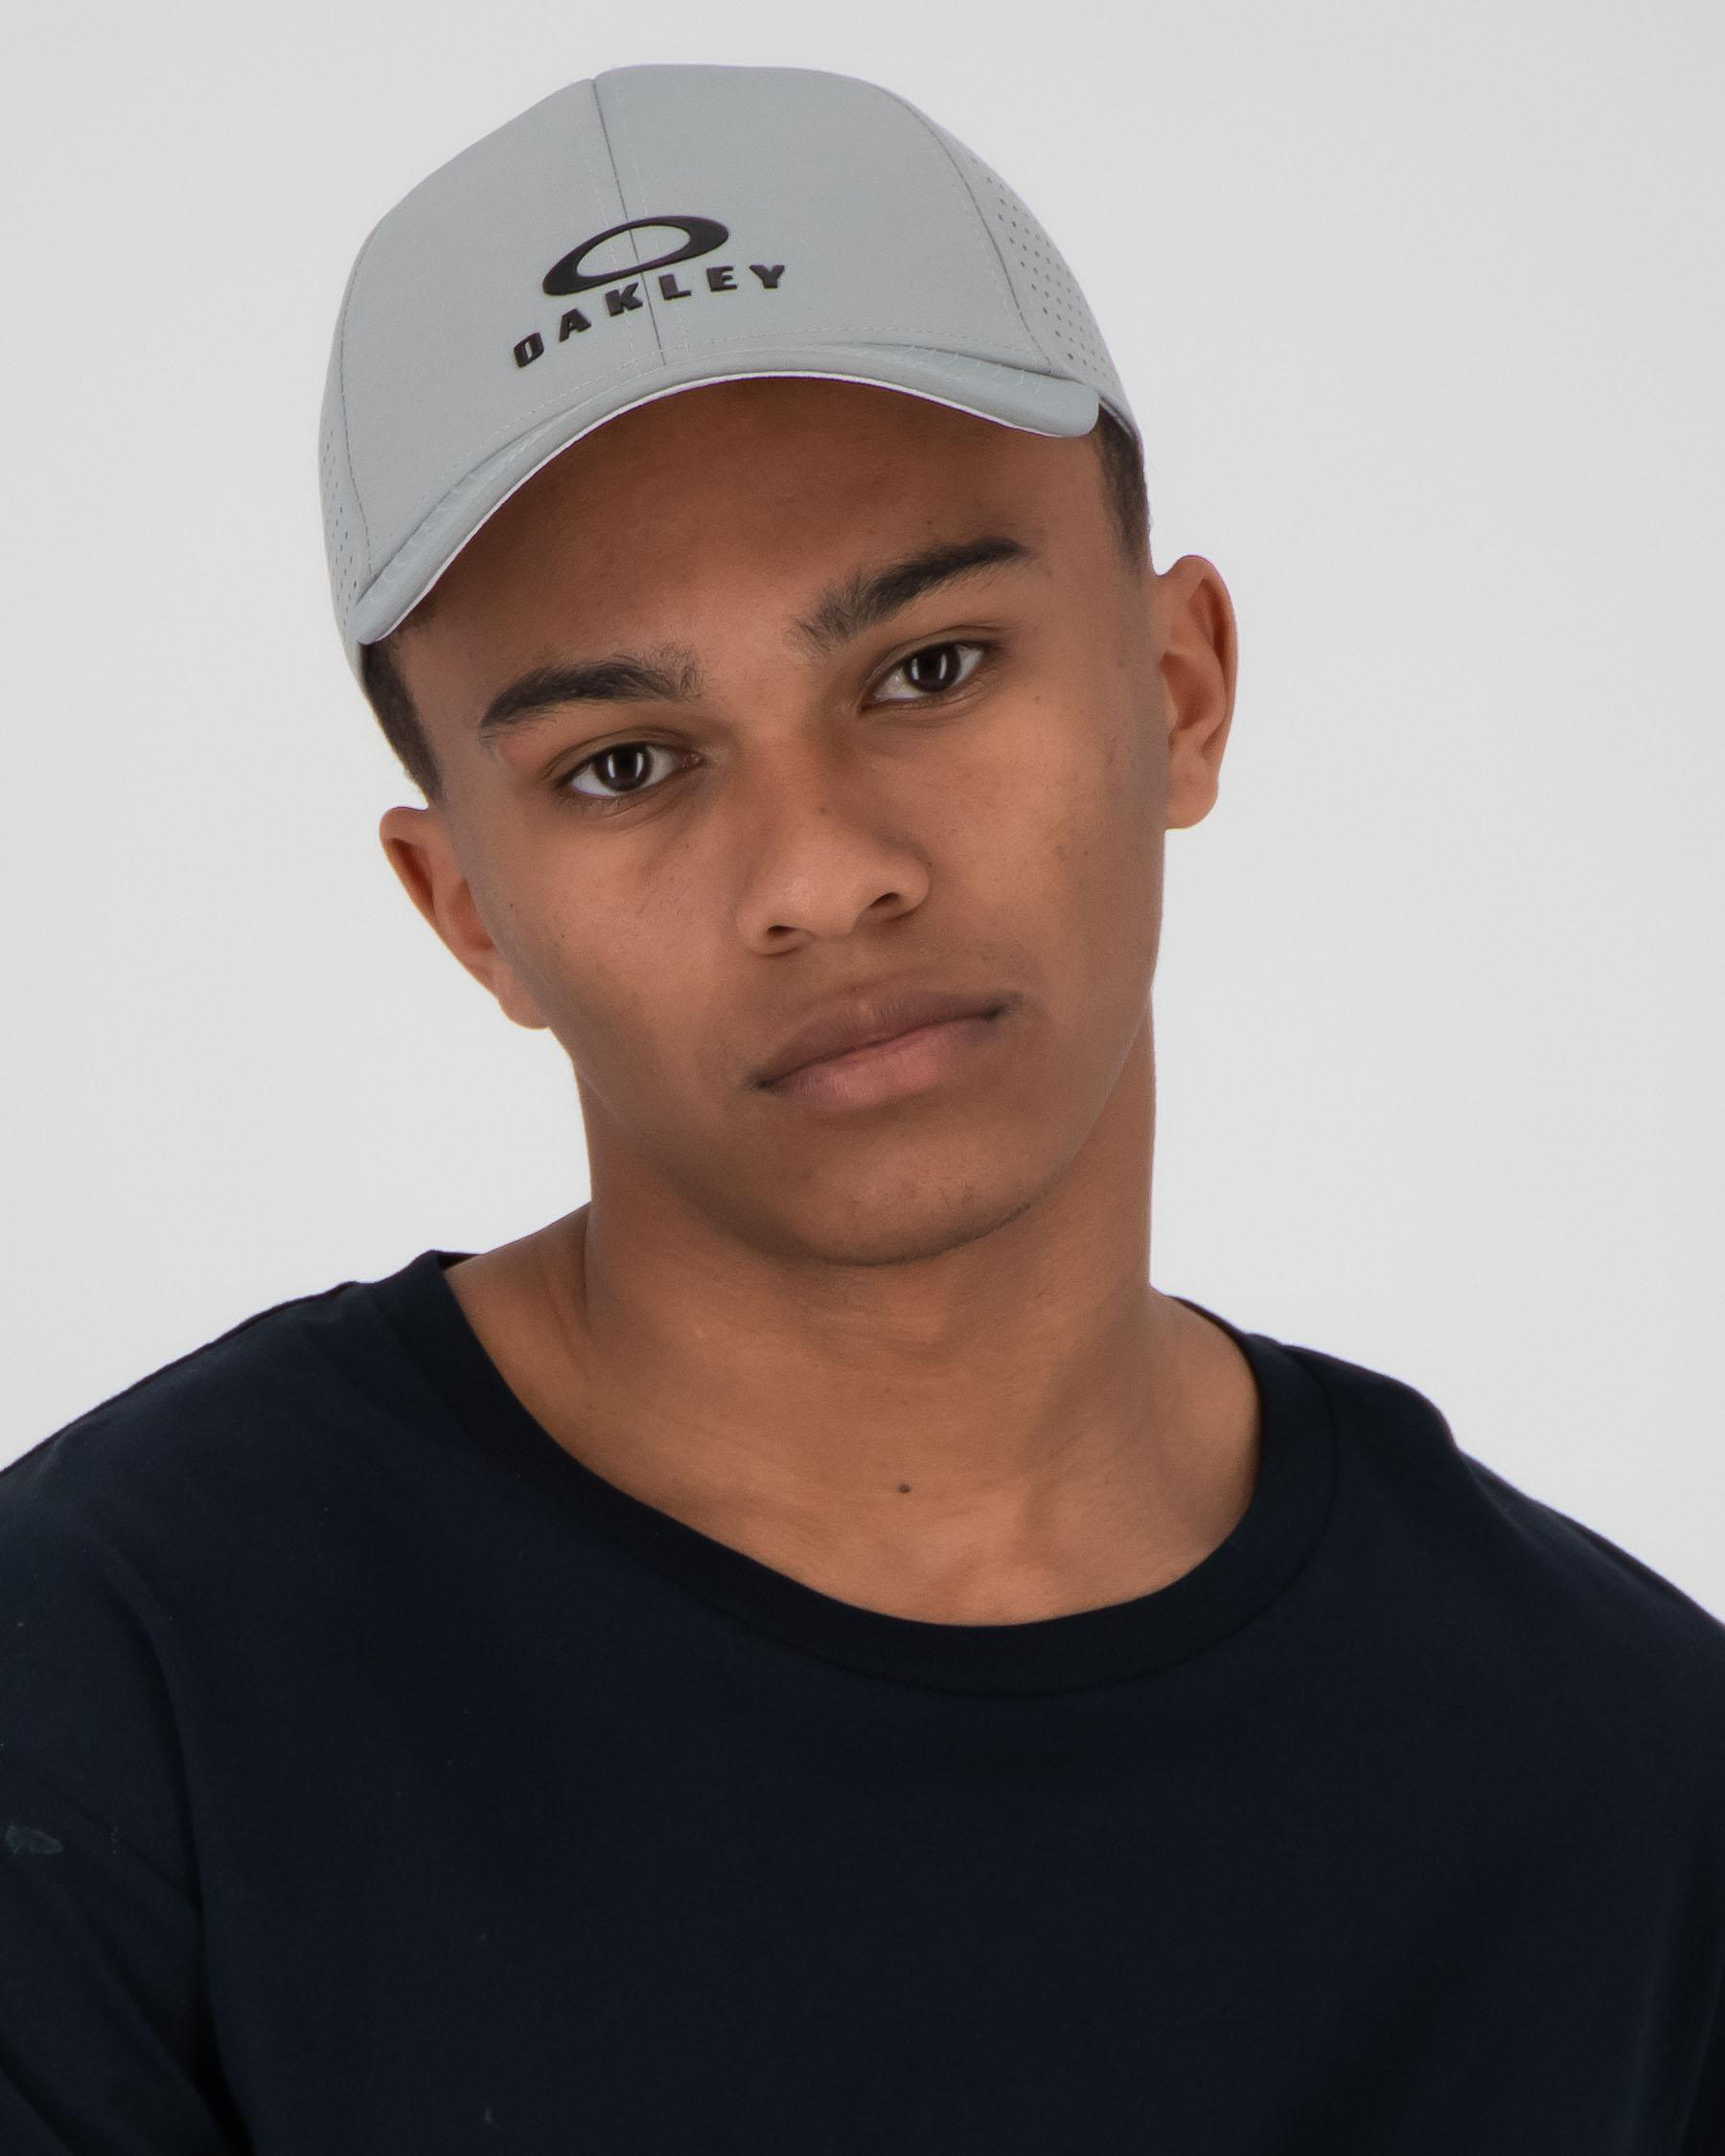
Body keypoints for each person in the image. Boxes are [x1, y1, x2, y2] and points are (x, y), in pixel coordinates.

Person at [3, 60, 1720, 2155]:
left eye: (927, 669)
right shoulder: (111, 1693)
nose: (822, 873)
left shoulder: (1629, 1784)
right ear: (469, 913)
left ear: (1178, 687)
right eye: (625, 764)